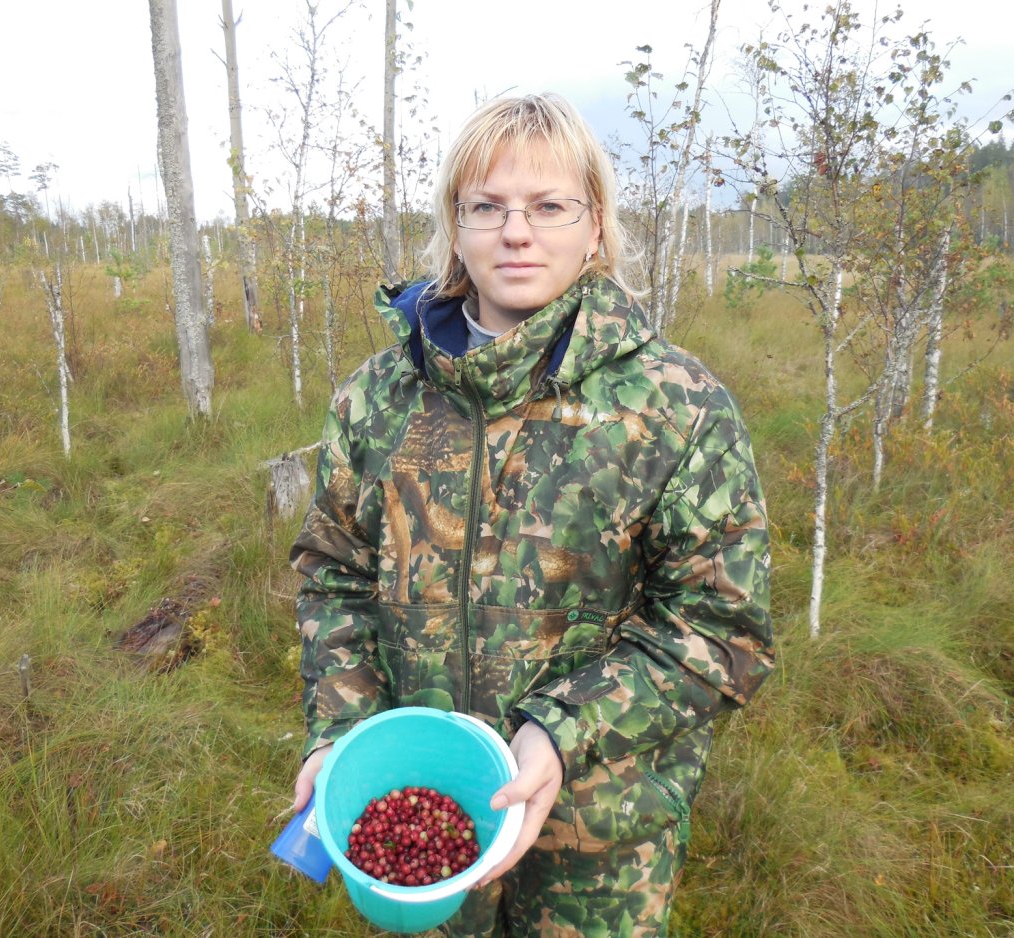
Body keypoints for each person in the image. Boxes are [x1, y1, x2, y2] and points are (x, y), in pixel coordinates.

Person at [288, 93, 773, 937]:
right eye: (489, 207)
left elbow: (721, 628)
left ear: (594, 228)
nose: (518, 232)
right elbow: (334, 577)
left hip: (601, 837)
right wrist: (341, 730)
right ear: (456, 226)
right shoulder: (375, 399)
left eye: (549, 206)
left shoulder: (674, 404)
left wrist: (561, 730)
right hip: (427, 818)